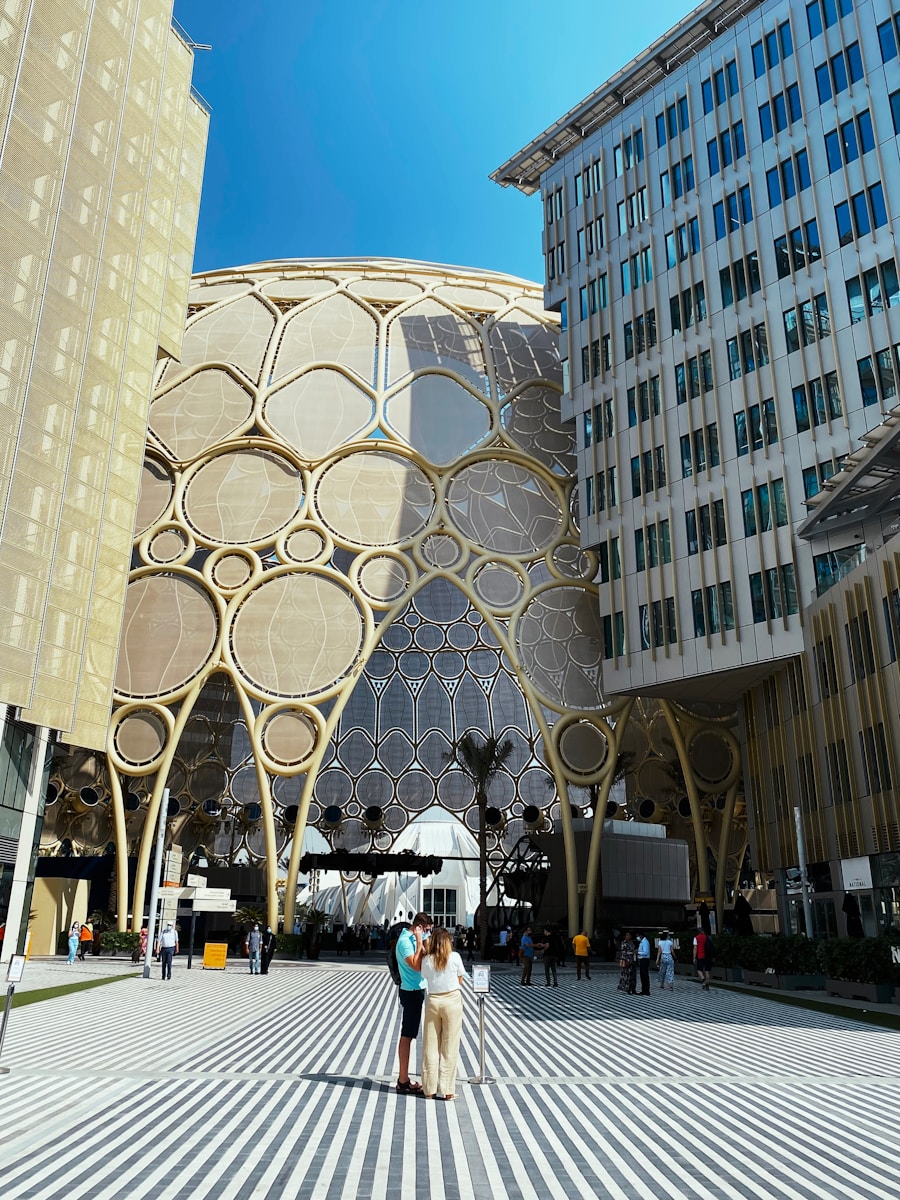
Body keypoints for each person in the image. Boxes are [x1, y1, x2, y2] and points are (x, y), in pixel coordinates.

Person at [420, 926, 466, 1100]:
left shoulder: (427, 960)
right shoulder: (454, 957)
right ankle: (447, 1090)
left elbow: (424, 976)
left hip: (433, 1001)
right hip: (452, 1000)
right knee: (449, 1045)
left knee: (430, 1044)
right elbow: (460, 979)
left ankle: (429, 1089)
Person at [395, 910, 432, 1094]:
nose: (427, 933)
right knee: (407, 1034)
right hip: (410, 991)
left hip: (418, 989)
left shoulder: (411, 939)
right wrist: (419, 942)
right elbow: (417, 965)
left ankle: (404, 1079)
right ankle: (403, 1080)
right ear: (418, 927)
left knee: (410, 1033)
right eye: (426, 930)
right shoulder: (404, 942)